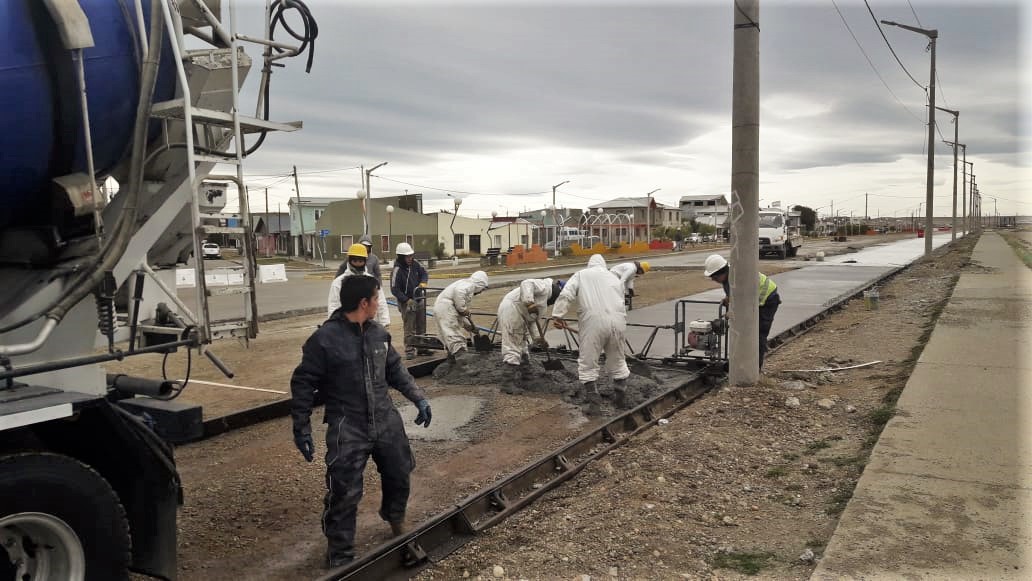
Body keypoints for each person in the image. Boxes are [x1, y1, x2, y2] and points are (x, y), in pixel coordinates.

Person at [290, 275, 432, 568]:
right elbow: (303, 383)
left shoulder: (378, 334)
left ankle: (394, 517)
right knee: (344, 491)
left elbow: (394, 369)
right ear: (364, 303)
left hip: (385, 417)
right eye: (377, 299)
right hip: (347, 423)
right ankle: (340, 555)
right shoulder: (324, 340)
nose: (379, 303)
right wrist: (301, 427)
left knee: (400, 471)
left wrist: (418, 397)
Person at [550, 254, 630, 403]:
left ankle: (593, 402)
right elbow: (621, 301)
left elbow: (566, 294)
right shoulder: (614, 277)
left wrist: (557, 315)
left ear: (590, 264)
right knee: (617, 359)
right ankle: (620, 397)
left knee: (588, 360)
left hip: (593, 322)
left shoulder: (581, 275)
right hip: (618, 321)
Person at [703, 254, 781, 369]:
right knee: (744, 331)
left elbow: (743, 300)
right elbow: (735, 295)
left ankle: (754, 369)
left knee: (758, 333)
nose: (713, 279)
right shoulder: (728, 278)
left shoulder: (737, 278)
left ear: (721, 272)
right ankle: (741, 362)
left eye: (714, 277)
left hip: (768, 300)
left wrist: (733, 312)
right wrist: (728, 299)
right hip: (755, 300)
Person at [496, 278, 564, 370]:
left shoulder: (543, 302)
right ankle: (510, 373)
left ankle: (524, 367)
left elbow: (532, 321)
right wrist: (529, 303)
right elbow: (526, 283)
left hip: (520, 314)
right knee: (513, 345)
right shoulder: (544, 287)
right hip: (512, 309)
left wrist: (538, 339)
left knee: (522, 344)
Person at [328, 243, 390, 327]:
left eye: (360, 261)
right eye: (355, 261)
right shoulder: (339, 282)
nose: (357, 264)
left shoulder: (372, 281)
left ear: (365, 261)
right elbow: (334, 306)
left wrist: (385, 322)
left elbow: (380, 302)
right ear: (349, 261)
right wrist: (334, 326)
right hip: (347, 327)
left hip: (369, 326)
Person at [433, 270, 489, 360]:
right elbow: (459, 293)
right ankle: (461, 358)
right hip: (446, 307)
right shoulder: (470, 285)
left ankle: (452, 359)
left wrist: (470, 327)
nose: (480, 292)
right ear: (480, 284)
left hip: (442, 308)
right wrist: (462, 309)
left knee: (447, 334)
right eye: (482, 289)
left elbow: (460, 316)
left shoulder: (464, 285)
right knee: (453, 332)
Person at [390, 242, 431, 359]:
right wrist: (406, 300)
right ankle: (409, 350)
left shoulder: (415, 263)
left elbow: (424, 273)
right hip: (406, 302)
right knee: (409, 327)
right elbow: (394, 289)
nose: (410, 258)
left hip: (419, 298)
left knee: (421, 325)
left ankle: (422, 347)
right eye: (407, 256)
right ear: (401, 257)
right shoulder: (397, 270)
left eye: (411, 256)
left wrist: (423, 282)